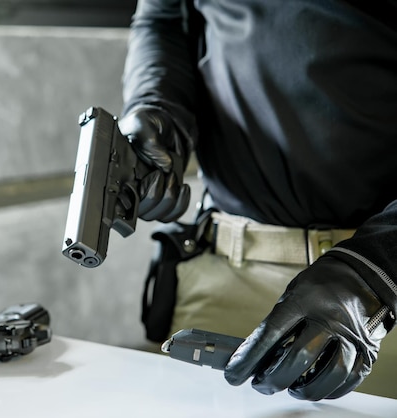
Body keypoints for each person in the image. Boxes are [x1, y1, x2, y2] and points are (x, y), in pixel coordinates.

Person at [118, 0, 397, 401]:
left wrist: (375, 273)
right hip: (221, 276)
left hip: (377, 303)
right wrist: (155, 105)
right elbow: (163, 21)